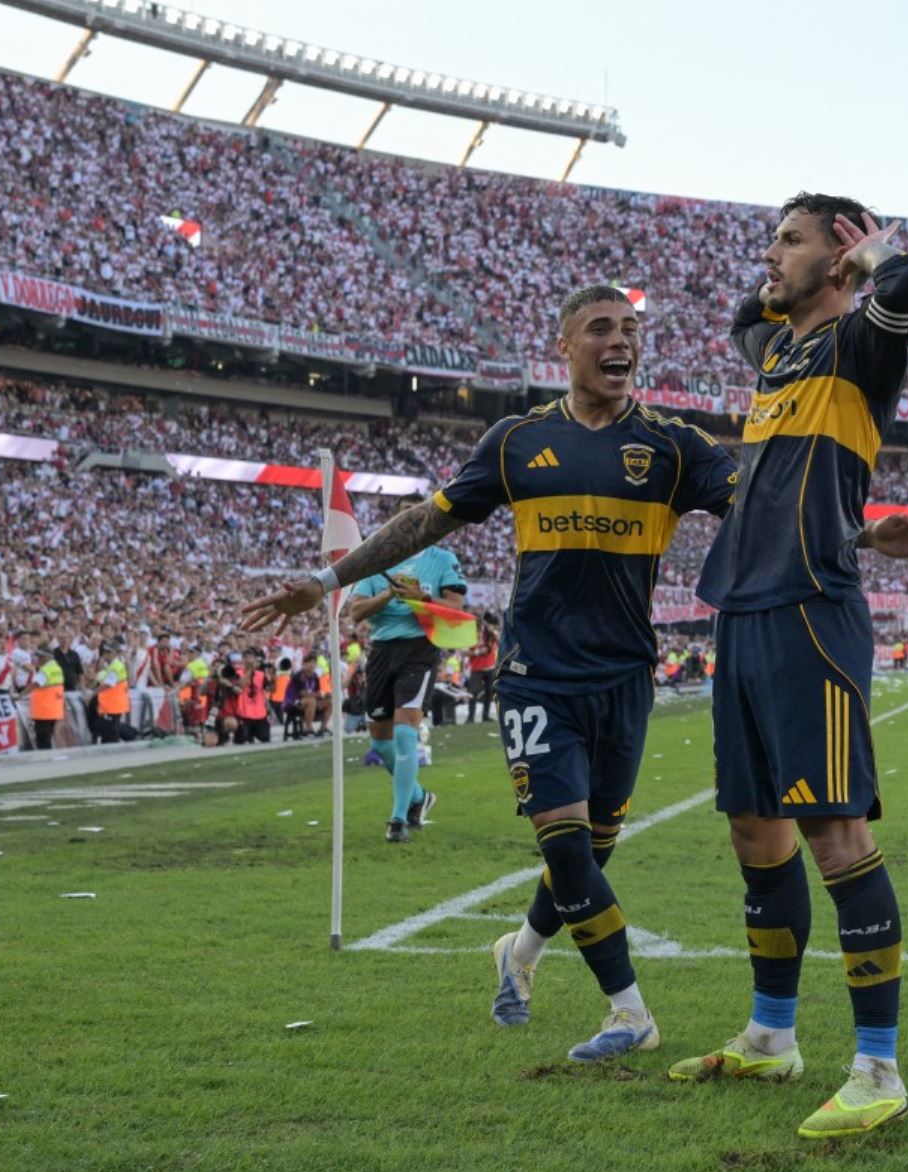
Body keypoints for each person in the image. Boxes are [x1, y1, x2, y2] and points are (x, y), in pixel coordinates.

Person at [240, 284, 742, 1064]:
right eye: (602, 329)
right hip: (537, 674)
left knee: (590, 850)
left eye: (632, 330)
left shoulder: (675, 446)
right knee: (568, 846)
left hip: (626, 677)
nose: (621, 342)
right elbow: (424, 520)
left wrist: (860, 536)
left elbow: (763, 504)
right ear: (566, 347)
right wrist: (328, 581)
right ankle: (630, 1011)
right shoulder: (517, 441)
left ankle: (520, 953)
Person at [667, 194, 908, 1139]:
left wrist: (872, 256)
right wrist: (782, 278)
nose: (768, 255)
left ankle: (878, 1068)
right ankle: (771, 1037)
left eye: (788, 240)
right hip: (741, 609)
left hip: (812, 613)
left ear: (840, 256)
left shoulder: (864, 348)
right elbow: (748, 317)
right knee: (755, 830)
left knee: (833, 832)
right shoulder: (779, 351)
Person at [326, 492, 462, 842]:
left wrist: (420, 598)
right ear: (394, 521)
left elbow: (456, 609)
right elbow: (356, 612)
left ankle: (398, 820)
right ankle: (418, 796)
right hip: (382, 652)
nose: (412, 520)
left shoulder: (443, 559)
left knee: (405, 732)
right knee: (381, 743)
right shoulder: (376, 562)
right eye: (405, 514)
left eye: (418, 514)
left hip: (420, 649)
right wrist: (389, 595)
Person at [28, 646, 66, 751]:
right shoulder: (57, 668)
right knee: (48, 737)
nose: (38, 659)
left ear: (47, 657)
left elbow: (36, 684)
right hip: (54, 709)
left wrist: (21, 695)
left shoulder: (46, 670)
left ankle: (46, 762)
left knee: (43, 739)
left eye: (41, 657)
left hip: (43, 711)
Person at [465, 613, 500, 725]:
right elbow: (464, 652)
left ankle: (485, 716)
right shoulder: (470, 635)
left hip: (490, 667)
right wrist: (477, 652)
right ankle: (470, 717)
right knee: (473, 692)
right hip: (476, 668)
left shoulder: (489, 633)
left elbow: (498, 639)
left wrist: (491, 630)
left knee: (490, 692)